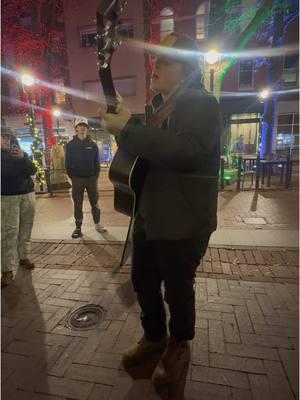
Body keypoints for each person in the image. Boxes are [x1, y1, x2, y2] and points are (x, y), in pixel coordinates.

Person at [100, 33, 221, 390]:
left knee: (178, 290)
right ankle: (155, 337)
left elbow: (186, 151)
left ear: (186, 70)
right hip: (150, 216)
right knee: (143, 282)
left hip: (184, 221)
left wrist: (130, 128)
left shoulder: (202, 104)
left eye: (165, 61)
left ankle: (179, 346)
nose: (155, 65)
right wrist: (123, 124)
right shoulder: (158, 107)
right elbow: (145, 152)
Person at [1, 127, 37, 287]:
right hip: (7, 197)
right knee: (9, 232)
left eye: (8, 137)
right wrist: (20, 167)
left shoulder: (22, 154)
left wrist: (23, 159)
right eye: (2, 137)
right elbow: (6, 172)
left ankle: (24, 257)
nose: (6, 140)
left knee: (26, 228)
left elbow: (33, 170)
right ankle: (7, 270)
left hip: (27, 195)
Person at [65, 117, 107, 238]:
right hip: (77, 179)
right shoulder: (70, 145)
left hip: (91, 179)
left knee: (95, 203)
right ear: (76, 129)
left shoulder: (93, 145)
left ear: (87, 129)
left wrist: (94, 177)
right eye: (80, 126)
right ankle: (78, 227)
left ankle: (98, 224)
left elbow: (96, 163)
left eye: (85, 126)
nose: (82, 128)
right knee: (78, 204)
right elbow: (67, 164)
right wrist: (73, 177)